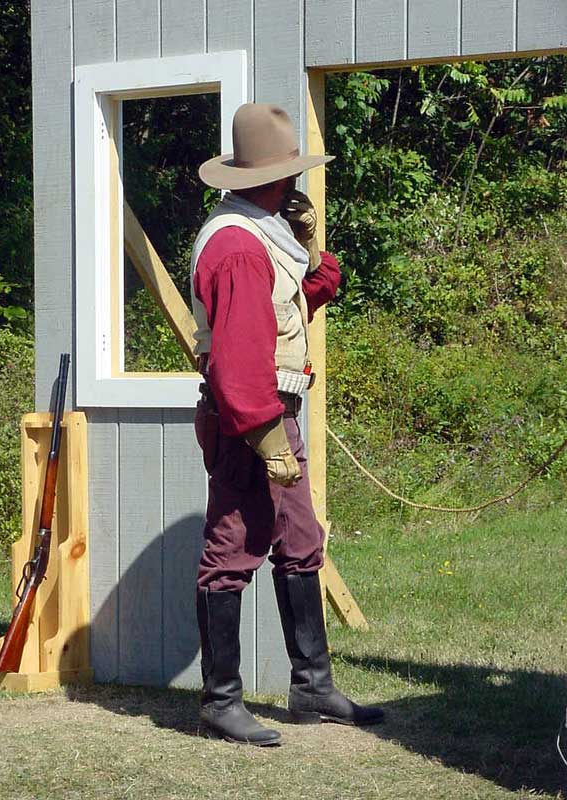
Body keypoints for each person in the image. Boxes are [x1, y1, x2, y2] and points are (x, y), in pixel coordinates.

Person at [191, 102, 384, 746]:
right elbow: (239, 366)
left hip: (272, 414)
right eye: (290, 175)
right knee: (231, 552)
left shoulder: (263, 234)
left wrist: (309, 245)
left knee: (300, 542)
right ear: (271, 179)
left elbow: (311, 292)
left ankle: (311, 687)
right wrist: (271, 441)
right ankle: (220, 702)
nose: (295, 186)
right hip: (254, 421)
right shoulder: (240, 248)